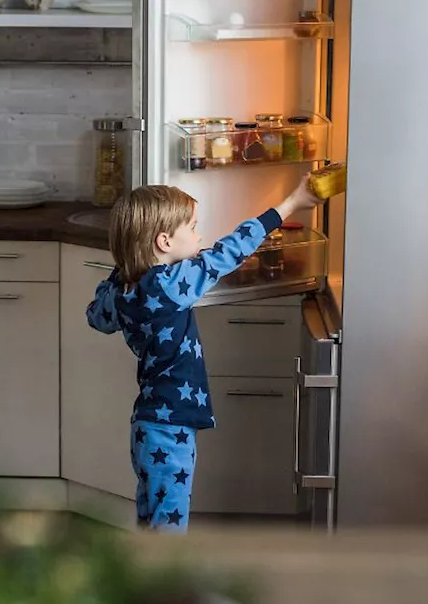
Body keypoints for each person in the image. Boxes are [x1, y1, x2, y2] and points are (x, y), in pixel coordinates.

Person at [85, 175, 324, 531]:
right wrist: (290, 203)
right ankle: (168, 585)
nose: (200, 236)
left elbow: (96, 317)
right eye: (193, 228)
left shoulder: (122, 292)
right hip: (171, 428)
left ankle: (145, 581)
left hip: (147, 425)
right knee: (169, 528)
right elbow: (229, 251)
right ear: (164, 241)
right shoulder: (168, 286)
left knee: (151, 519)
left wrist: (123, 266)